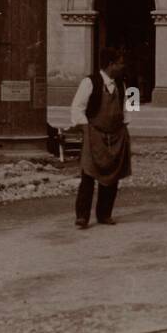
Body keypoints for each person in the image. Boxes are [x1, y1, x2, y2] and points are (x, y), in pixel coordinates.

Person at [69, 47, 132, 228]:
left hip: (116, 135)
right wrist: (86, 130)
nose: (123, 67)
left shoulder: (121, 84)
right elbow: (77, 108)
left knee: (112, 175)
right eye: (120, 63)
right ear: (111, 64)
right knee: (89, 174)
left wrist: (125, 129)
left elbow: (126, 109)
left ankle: (104, 214)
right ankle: (82, 217)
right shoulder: (90, 82)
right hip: (94, 133)